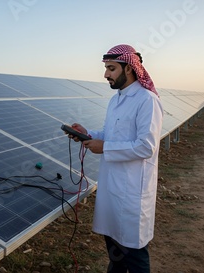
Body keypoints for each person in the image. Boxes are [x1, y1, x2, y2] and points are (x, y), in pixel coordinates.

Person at [68, 44, 163, 272]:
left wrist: (105, 147)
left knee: (135, 254)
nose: (106, 74)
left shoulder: (146, 100)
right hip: (111, 187)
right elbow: (110, 135)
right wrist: (87, 134)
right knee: (115, 252)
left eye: (111, 68)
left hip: (132, 193)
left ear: (129, 68)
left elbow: (146, 146)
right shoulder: (116, 100)